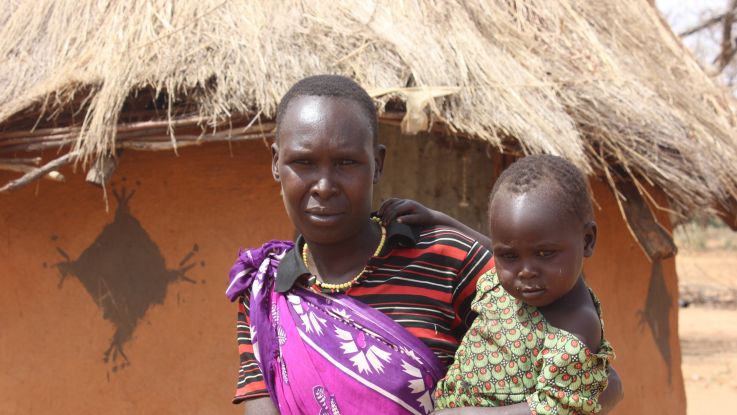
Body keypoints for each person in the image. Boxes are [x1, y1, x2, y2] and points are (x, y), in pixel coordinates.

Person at [226, 74, 622, 415]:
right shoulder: (264, 292)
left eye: (346, 163)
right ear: (277, 163)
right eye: (304, 163)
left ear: (378, 163)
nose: (325, 186)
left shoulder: (449, 259)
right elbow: (259, 398)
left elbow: (601, 385)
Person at [380, 155, 615, 415]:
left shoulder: (576, 327)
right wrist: (440, 219)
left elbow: (556, 409)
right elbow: (494, 249)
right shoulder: (518, 280)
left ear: (587, 241)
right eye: (510, 256)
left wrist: (467, 414)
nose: (526, 271)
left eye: (545, 253)